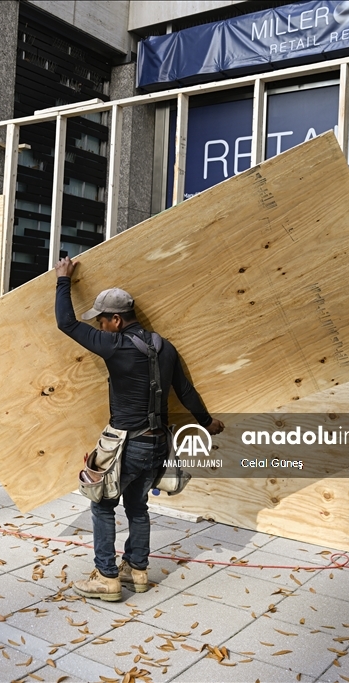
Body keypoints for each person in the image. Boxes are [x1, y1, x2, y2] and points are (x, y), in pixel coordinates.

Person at [54, 256, 224, 600]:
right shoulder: (165, 347)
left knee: (101, 504)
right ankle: (138, 570)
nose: (100, 327)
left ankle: (107, 577)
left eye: (102, 321)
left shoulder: (114, 346)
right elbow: (186, 391)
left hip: (126, 445)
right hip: (158, 445)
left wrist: (63, 280)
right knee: (138, 506)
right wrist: (208, 422)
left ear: (116, 319)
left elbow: (66, 324)